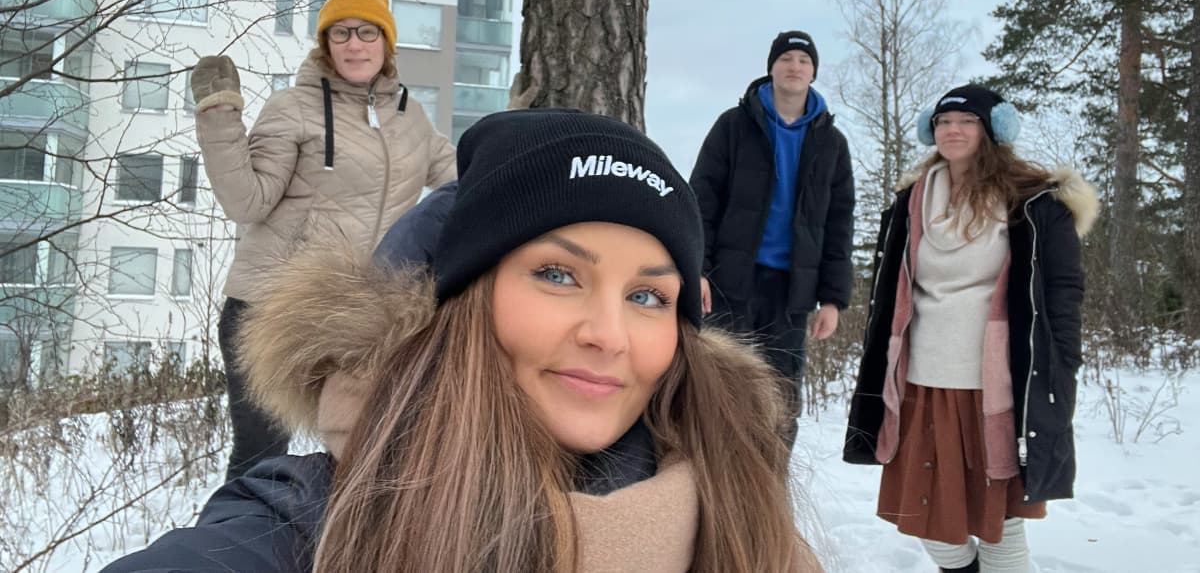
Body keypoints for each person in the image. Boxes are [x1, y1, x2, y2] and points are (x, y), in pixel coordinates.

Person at [101, 109, 822, 572]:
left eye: (646, 295)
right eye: (557, 274)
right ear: (466, 300)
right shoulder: (322, 517)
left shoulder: (744, 513)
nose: (609, 335)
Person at [188, 0, 456, 480]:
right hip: (268, 310)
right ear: (326, 44)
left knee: (364, 451)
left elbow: (464, 183)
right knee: (260, 459)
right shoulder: (293, 107)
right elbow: (247, 202)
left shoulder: (412, 119)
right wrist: (220, 117)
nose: (355, 44)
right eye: (341, 33)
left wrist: (514, 128)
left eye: (367, 32)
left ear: (387, 42)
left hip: (355, 318)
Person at [843, 85, 1099, 573]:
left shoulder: (1034, 201)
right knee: (926, 522)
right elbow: (890, 293)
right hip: (921, 382)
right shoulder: (911, 201)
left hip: (998, 387)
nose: (953, 131)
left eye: (967, 121)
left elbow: (1063, 293)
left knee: (1000, 524)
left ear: (992, 130)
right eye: (943, 122)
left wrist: (1062, 364)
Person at [689, 30, 855, 447]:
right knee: (721, 385)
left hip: (792, 291)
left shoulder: (831, 143)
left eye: (803, 59)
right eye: (786, 58)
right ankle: (714, 483)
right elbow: (701, 200)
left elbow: (839, 224)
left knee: (780, 394)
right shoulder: (733, 126)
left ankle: (769, 491)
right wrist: (698, 268)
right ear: (772, 67)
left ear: (813, 71)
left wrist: (832, 299)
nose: (794, 66)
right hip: (731, 281)